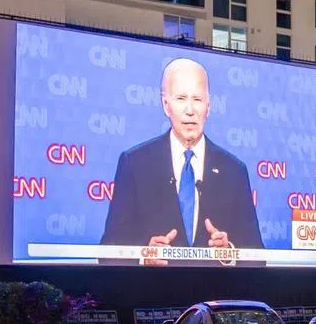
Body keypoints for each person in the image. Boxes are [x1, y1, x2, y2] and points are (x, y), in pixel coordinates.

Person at [100, 58, 263, 265]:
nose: (190, 110)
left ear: (208, 106)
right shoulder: (135, 163)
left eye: (197, 99)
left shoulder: (234, 170)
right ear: (166, 105)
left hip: (214, 294)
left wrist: (230, 254)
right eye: (181, 98)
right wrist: (144, 258)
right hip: (156, 293)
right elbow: (108, 252)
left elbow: (258, 256)